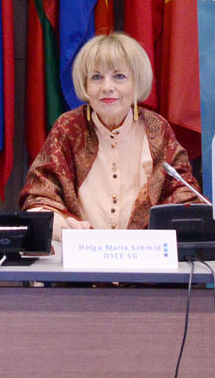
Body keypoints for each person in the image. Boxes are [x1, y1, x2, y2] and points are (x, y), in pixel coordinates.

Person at [21, 33, 199, 237]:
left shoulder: (157, 129)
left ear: (137, 82)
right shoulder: (68, 128)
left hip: (143, 252)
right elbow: (38, 200)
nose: (107, 87)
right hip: (82, 251)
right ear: (85, 84)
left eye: (119, 76)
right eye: (96, 77)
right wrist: (63, 226)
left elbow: (185, 199)